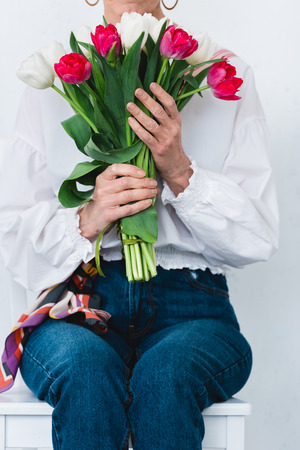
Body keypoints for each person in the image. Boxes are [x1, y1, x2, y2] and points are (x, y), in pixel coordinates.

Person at [0, 0, 279, 448]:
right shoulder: (55, 77)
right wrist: (90, 215)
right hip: (79, 303)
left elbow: (257, 239)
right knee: (86, 374)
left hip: (194, 307)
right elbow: (13, 239)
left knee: (165, 377)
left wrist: (180, 170)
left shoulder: (220, 68)